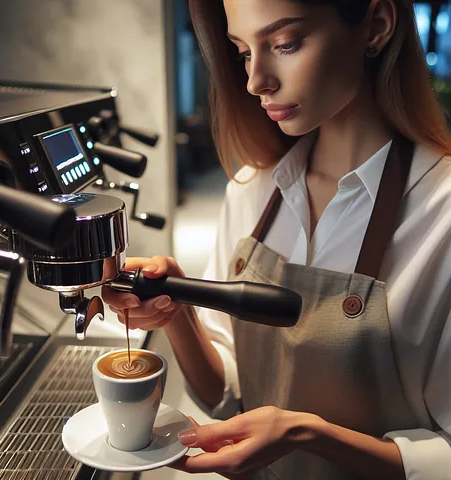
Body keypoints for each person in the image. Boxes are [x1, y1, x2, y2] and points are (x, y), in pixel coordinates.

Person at [102, 0, 451, 478]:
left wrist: (308, 435)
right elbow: (227, 396)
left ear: (377, 25)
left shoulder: (442, 212)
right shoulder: (252, 189)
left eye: (284, 44)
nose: (254, 81)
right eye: (244, 52)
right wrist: (176, 310)